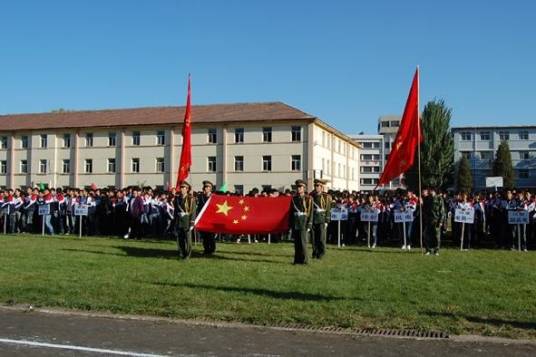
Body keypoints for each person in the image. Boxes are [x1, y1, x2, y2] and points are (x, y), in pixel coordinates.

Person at [290, 179, 312, 264]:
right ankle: (297, 260)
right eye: (297, 187)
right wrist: (291, 224)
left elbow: (310, 213)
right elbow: (291, 212)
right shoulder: (294, 199)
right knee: (297, 243)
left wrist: (309, 224)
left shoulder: (308, 198)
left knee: (303, 243)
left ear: (304, 188)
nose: (298, 189)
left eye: (300, 187)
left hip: (303, 221)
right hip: (296, 222)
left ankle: (305, 260)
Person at [173, 181, 197, 259]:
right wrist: (175, 219)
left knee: (188, 239)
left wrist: (192, 222)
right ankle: (182, 252)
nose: (182, 189)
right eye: (181, 187)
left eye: (184, 188)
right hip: (179, 220)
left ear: (187, 189)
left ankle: (188, 254)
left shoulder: (191, 199)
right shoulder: (177, 198)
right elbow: (175, 210)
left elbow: (193, 211)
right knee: (180, 239)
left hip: (187, 220)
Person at [310, 179, 332, 259]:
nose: (316, 187)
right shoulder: (311, 196)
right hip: (313, 218)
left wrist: (327, 220)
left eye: (318, 186)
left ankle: (321, 253)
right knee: (313, 238)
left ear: (321, 187)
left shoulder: (326, 197)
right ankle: (314, 252)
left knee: (321, 238)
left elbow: (328, 209)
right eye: (315, 186)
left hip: (322, 219)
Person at [422, 187, 444, 255]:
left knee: (436, 236)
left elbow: (442, 211)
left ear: (434, 191)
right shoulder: (426, 198)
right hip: (428, 220)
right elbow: (424, 209)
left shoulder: (439, 198)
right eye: (429, 190)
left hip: (436, 220)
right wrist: (421, 204)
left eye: (431, 190)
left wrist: (441, 221)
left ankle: (436, 250)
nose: (429, 191)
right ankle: (428, 250)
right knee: (426, 235)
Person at [197, 180, 216, 255]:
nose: (206, 188)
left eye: (208, 187)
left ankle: (212, 249)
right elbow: (199, 207)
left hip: (211, 219)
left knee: (211, 235)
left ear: (211, 188)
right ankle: (206, 249)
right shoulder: (201, 197)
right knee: (204, 235)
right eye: (205, 187)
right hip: (203, 219)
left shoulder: (214, 197)